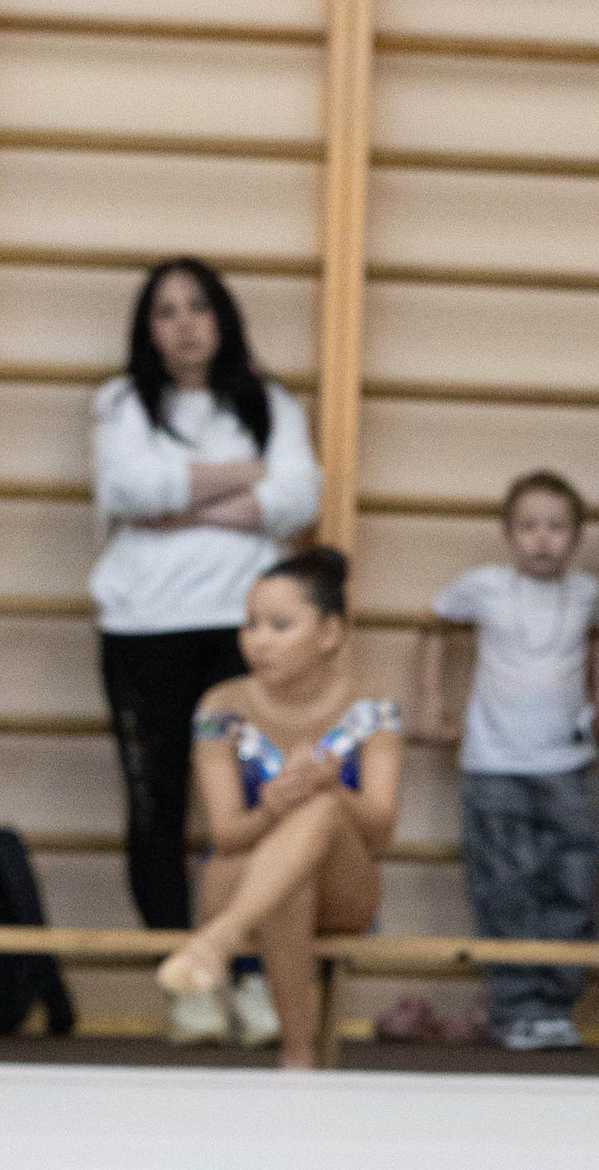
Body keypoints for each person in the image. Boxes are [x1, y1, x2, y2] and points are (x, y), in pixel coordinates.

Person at [90, 257, 322, 1045]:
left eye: (198, 307)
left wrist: (182, 492)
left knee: (257, 804)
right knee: (155, 806)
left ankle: (254, 969)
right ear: (146, 328)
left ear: (223, 317)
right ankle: (183, 977)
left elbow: (298, 497)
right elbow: (128, 491)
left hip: (241, 631)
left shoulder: (269, 402)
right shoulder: (121, 404)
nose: (184, 322)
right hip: (141, 630)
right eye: (166, 310)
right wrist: (243, 483)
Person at [154, 548, 402, 1072]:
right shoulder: (221, 707)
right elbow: (227, 833)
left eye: (280, 625)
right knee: (292, 868)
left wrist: (331, 790)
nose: (258, 640)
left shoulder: (372, 708)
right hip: (235, 876)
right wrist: (270, 806)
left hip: (345, 888)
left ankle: (217, 944)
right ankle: (298, 1057)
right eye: (250, 624)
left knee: (319, 817)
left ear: (330, 632)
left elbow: (381, 830)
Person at [409, 470, 599, 1052]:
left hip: (568, 765)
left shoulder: (586, 591)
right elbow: (434, 625)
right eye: (528, 527)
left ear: (576, 538)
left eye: (557, 527)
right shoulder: (484, 586)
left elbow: (598, 642)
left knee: (571, 884)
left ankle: (555, 1005)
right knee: (504, 886)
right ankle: (514, 1005)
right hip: (494, 763)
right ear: (506, 535)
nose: (542, 540)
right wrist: (431, 704)